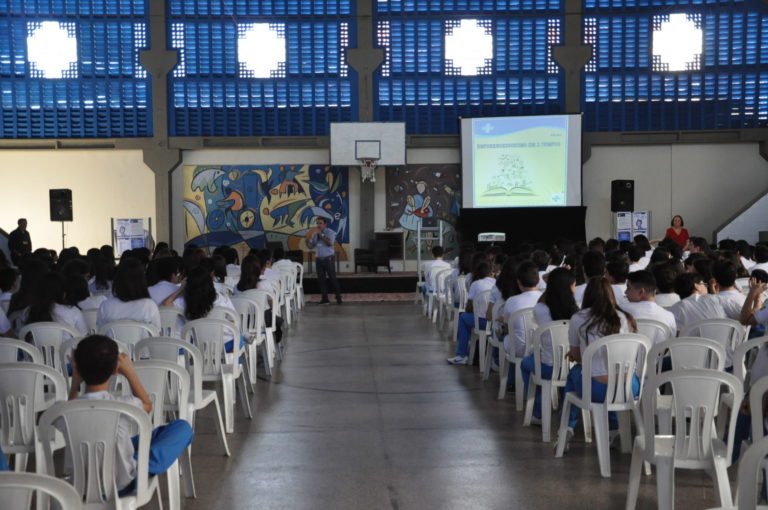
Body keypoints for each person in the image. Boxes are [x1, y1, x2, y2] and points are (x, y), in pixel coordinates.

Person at [66, 335, 193, 494]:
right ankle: (137, 462)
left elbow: (71, 405)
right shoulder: (124, 406)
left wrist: (75, 383)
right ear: (115, 369)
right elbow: (147, 406)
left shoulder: (62, 411)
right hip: (120, 487)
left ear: (77, 369)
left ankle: (128, 457)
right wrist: (130, 372)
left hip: (79, 488)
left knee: (122, 442)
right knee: (182, 427)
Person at [558, 277, 639, 452]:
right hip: (629, 387)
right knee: (613, 379)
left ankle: (566, 429)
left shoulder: (579, 318)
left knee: (574, 374)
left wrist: (576, 355)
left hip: (595, 388)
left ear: (587, 295)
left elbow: (578, 357)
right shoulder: (626, 318)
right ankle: (614, 430)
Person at [521, 267, 579, 422]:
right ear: (570, 287)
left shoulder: (540, 309)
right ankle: (564, 410)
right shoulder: (577, 312)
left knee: (525, 364)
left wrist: (551, 285)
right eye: (574, 285)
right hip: (572, 365)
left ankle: (537, 411)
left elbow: (542, 301)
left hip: (547, 367)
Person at [447, 260, 495, 365]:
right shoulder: (497, 283)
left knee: (463, 317)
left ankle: (461, 355)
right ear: (490, 273)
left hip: (482, 322)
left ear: (477, 274)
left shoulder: (476, 284)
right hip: (495, 324)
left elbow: (469, 306)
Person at [97, 258, 161, 330]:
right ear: (142, 281)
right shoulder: (150, 306)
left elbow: (101, 330)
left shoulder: (106, 306)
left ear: (118, 280)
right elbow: (157, 331)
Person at [621, 270, 676, 344]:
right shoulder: (669, 316)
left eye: (628, 288)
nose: (625, 292)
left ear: (641, 292)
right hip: (658, 351)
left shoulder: (621, 310)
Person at [307, 217, 342, 304]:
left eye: (320, 223)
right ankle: (325, 298)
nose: (318, 225)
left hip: (328, 259)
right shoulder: (315, 234)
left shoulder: (330, 232)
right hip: (319, 260)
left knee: (332, 278)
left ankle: (338, 297)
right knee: (321, 280)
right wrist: (307, 242)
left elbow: (329, 243)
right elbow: (311, 246)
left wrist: (322, 234)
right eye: (317, 223)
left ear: (325, 224)